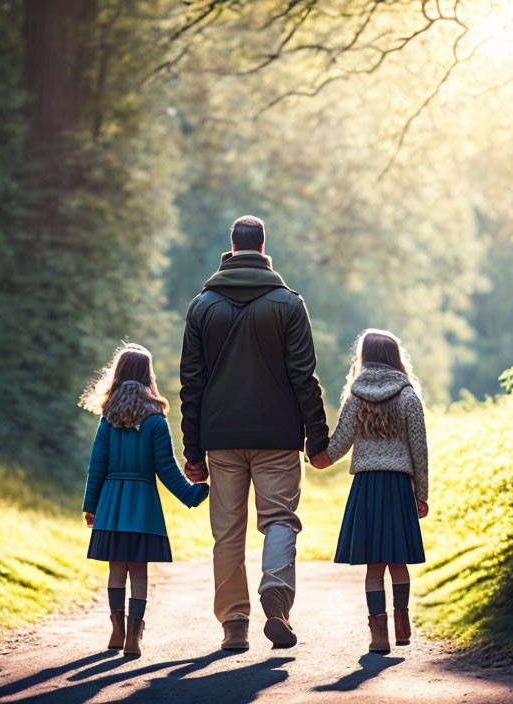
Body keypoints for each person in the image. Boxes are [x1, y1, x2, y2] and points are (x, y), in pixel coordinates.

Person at [180, 215, 330, 650]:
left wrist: (193, 452)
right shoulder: (288, 304)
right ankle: (276, 598)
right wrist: (316, 440)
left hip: (221, 437)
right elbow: (305, 376)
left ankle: (235, 623)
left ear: (232, 246)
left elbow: (192, 384)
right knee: (280, 519)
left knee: (227, 532)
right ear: (264, 250)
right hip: (278, 436)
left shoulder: (201, 306)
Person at [80, 343, 208, 657]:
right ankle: (134, 636)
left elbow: (97, 464)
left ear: (118, 375)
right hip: (143, 508)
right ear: (147, 376)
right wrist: (193, 493)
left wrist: (91, 506)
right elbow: (166, 468)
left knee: (115, 569)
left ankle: (116, 629)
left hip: (111, 504)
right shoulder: (155, 420)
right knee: (138, 570)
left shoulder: (107, 419)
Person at [319, 329, 429, 654]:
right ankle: (402, 624)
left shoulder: (355, 398)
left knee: (374, 566)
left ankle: (378, 635)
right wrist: (421, 493)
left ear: (363, 357)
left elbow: (338, 444)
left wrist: (317, 457)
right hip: (397, 488)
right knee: (398, 561)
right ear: (396, 357)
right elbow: (419, 451)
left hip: (367, 487)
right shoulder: (409, 398)